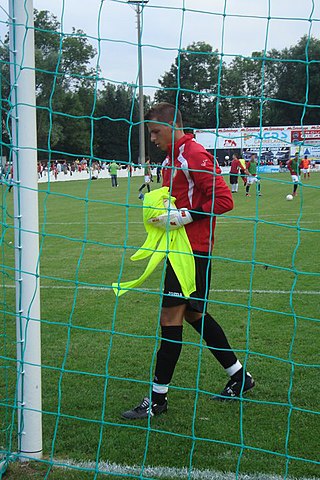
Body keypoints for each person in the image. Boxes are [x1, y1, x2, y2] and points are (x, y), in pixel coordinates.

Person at [122, 102, 255, 420]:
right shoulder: (171, 158)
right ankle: (240, 377)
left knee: (170, 319)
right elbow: (183, 197)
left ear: (171, 126)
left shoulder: (192, 154)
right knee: (195, 315)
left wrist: (182, 216)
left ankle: (157, 400)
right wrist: (161, 208)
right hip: (182, 249)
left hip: (192, 252)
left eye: (155, 132)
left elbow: (225, 199)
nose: (153, 139)